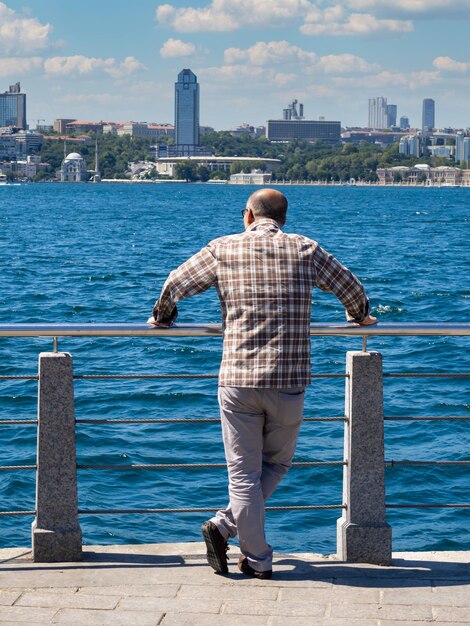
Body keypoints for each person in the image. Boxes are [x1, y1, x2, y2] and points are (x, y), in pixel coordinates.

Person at [148, 188, 377, 579]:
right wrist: (359, 317)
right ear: (283, 219)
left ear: (248, 216)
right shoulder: (306, 249)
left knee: (242, 476)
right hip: (288, 380)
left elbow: (175, 283)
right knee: (277, 464)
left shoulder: (222, 248)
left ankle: (244, 546)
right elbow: (351, 288)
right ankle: (238, 540)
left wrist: (164, 318)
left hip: (237, 378)